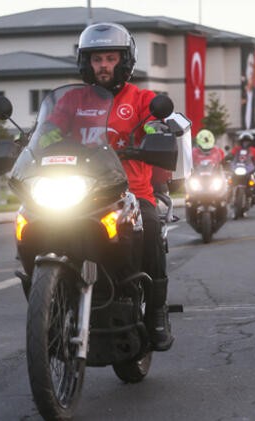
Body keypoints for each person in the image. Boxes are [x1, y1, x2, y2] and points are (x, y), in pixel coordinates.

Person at [76, 22, 174, 350]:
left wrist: (154, 134)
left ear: (124, 61)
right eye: (96, 59)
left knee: (150, 226)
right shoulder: (73, 101)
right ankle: (47, 298)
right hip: (80, 191)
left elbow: (154, 125)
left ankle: (157, 313)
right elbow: (49, 132)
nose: (103, 65)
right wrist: (30, 141)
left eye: (110, 58)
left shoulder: (142, 99)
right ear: (86, 63)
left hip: (130, 192)